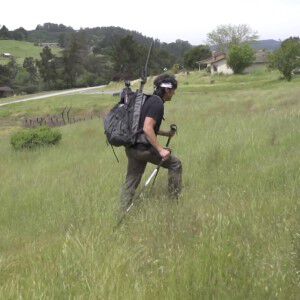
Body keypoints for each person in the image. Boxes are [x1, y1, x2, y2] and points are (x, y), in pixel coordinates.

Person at [120, 74, 182, 212]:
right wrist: (161, 150)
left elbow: (145, 127)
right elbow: (148, 128)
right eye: (173, 90)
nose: (174, 93)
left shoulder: (148, 100)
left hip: (132, 147)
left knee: (131, 180)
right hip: (143, 149)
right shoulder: (158, 103)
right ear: (167, 90)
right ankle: (174, 202)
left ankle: (122, 209)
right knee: (175, 164)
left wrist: (166, 133)